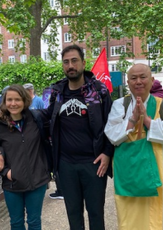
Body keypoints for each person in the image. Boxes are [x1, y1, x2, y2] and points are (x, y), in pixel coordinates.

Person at [38, 44, 114, 230]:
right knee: (73, 213)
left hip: (94, 164)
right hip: (66, 165)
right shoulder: (57, 92)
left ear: (83, 63)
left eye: (74, 61)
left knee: (96, 213)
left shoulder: (99, 91)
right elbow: (47, 118)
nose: (70, 65)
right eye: (66, 62)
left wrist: (107, 153)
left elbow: (112, 124)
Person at [104, 64, 163, 230]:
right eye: (133, 78)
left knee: (158, 217)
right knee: (129, 218)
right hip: (128, 174)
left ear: (152, 80)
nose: (138, 82)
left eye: (143, 77)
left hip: (157, 172)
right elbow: (112, 135)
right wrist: (132, 120)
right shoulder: (120, 105)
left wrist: (147, 120)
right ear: (128, 82)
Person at [0, 84, 51, 229]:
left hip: (37, 180)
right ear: (4, 101)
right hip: (12, 183)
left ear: (25, 101)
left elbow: (48, 141)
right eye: (9, 99)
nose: (13, 103)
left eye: (17, 99)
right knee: (16, 222)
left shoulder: (36, 119)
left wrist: (46, 168)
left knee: (34, 221)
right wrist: (5, 172)